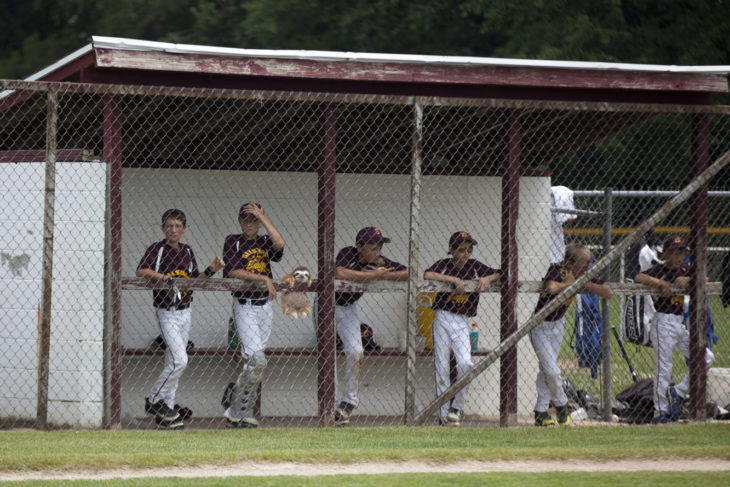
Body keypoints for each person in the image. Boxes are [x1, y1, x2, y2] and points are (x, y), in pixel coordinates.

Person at [137, 208, 224, 429]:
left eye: (177, 226)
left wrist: (211, 269)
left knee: (172, 362)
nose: (173, 230)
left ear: (184, 229)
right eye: (169, 226)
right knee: (179, 360)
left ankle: (167, 411)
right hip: (167, 312)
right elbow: (141, 270)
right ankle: (154, 400)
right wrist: (164, 277)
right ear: (163, 228)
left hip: (186, 310)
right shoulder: (158, 249)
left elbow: (195, 279)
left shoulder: (187, 251)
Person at [634, 235, 715, 423]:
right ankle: (660, 412)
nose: (679, 257)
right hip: (662, 323)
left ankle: (677, 391)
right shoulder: (660, 270)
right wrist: (660, 283)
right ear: (666, 254)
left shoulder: (686, 269)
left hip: (679, 324)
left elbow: (704, 276)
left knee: (706, 357)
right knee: (664, 368)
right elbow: (639, 276)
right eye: (674, 253)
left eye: (682, 253)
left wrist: (688, 279)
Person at [424, 231, 500, 426]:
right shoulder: (445, 264)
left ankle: (456, 408)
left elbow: (500, 272)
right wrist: (453, 280)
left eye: (469, 249)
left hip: (462, 320)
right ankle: (443, 414)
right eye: (461, 249)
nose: (466, 253)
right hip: (443, 316)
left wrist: (487, 279)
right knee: (441, 365)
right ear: (452, 250)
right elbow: (427, 274)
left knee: (465, 364)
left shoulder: (475, 267)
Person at [531, 243, 613, 427]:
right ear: (569, 263)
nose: (587, 268)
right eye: (583, 265)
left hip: (557, 325)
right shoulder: (557, 270)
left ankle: (541, 411)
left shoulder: (585, 276)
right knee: (552, 370)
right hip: (540, 325)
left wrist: (586, 284)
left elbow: (608, 292)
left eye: (588, 264)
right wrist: (569, 284)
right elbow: (551, 288)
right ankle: (562, 405)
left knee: (546, 370)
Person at [333, 226, 408, 425]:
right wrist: (370, 276)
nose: (377, 252)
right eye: (372, 247)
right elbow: (339, 272)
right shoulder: (348, 253)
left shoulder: (379, 262)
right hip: (326, 306)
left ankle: (348, 402)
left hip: (348, 308)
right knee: (328, 355)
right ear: (360, 246)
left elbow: (409, 272)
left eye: (379, 247)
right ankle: (330, 407)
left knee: (357, 351)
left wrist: (383, 275)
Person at [221, 202, 285, 428]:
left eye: (254, 220)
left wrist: (263, 218)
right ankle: (237, 408)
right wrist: (263, 278)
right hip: (245, 305)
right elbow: (233, 271)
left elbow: (279, 243)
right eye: (246, 219)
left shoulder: (265, 241)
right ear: (240, 221)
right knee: (257, 360)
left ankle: (236, 409)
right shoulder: (233, 240)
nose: (249, 224)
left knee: (255, 363)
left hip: (265, 306)